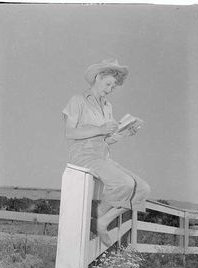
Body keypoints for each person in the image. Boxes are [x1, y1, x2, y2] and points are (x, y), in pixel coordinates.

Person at [62, 59, 151, 246]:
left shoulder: (107, 106)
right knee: (124, 183)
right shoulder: (78, 100)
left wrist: (124, 133)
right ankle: (96, 220)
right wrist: (100, 129)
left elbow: (107, 139)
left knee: (143, 188)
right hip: (83, 155)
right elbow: (69, 133)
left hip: (103, 156)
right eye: (108, 84)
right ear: (97, 77)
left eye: (113, 86)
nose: (110, 89)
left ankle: (101, 220)